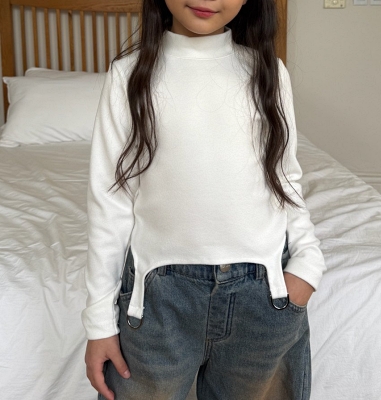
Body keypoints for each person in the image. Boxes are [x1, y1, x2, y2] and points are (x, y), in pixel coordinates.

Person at [82, 0, 327, 399]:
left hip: (263, 299)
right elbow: (110, 203)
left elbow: (285, 176)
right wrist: (98, 324)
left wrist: (308, 264)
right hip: (159, 303)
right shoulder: (128, 75)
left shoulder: (268, 71)